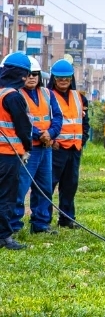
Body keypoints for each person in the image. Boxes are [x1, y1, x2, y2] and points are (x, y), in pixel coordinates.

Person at [11, 56, 60, 236]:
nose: (32, 77)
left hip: (46, 148)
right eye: (28, 74)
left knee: (45, 186)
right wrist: (41, 134)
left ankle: (40, 223)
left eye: (35, 74)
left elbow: (57, 116)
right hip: (28, 148)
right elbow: (22, 121)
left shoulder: (48, 94)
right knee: (21, 187)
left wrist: (51, 134)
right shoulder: (16, 95)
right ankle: (14, 225)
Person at [0, 52, 35, 250]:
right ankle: (4, 237)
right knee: (6, 195)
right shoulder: (13, 96)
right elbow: (23, 127)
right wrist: (27, 148)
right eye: (24, 74)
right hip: (7, 154)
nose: (26, 78)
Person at [48, 58, 86, 229]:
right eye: (59, 78)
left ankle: (67, 218)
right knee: (48, 184)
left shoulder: (79, 97)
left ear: (72, 79)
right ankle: (43, 220)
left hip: (74, 148)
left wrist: (82, 140)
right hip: (56, 148)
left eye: (67, 78)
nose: (63, 81)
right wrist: (52, 141)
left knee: (70, 185)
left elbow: (85, 122)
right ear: (53, 79)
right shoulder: (47, 96)